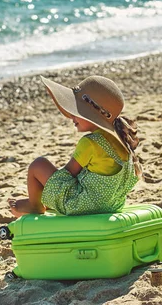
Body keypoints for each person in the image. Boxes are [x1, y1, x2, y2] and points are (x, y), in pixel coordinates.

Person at [8, 75, 143, 217]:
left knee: (38, 165)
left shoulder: (90, 143)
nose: (72, 117)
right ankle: (44, 201)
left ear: (91, 115)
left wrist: (45, 192)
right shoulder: (122, 141)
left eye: (77, 112)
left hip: (82, 207)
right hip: (111, 206)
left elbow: (66, 175)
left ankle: (35, 205)